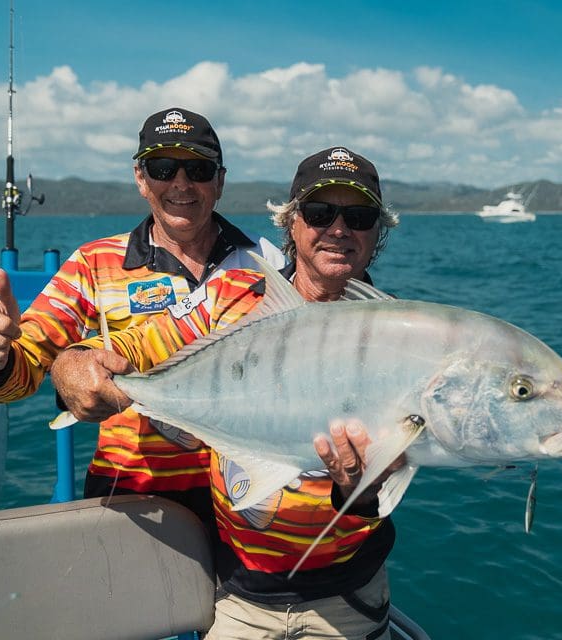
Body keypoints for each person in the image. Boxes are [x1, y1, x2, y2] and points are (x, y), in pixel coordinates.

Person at [51, 146, 401, 640]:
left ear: (377, 232)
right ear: (293, 223)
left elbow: (386, 485)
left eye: (359, 216)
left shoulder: (398, 336)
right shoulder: (233, 294)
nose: (339, 229)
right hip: (237, 595)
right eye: (321, 213)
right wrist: (76, 364)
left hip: (346, 597)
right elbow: (138, 344)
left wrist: (357, 488)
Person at [0, 107, 285, 524]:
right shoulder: (93, 263)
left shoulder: (267, 262)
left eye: (198, 169)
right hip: (137, 502)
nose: (181, 183)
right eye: (163, 167)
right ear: (140, 178)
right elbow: (17, 378)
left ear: (220, 181)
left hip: (250, 500)